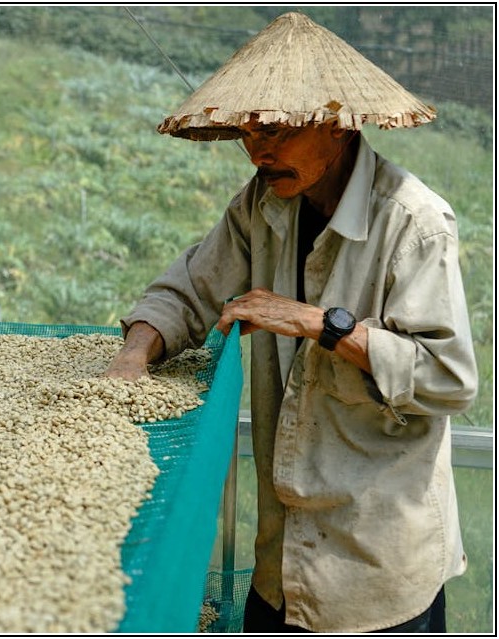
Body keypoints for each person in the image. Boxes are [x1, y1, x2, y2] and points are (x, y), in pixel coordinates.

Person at [104, 12, 478, 633]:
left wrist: (318, 324)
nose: (258, 151)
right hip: (281, 565)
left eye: (274, 130)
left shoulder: (413, 223)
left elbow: (449, 379)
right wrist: (131, 359)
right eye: (249, 134)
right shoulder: (263, 200)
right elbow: (191, 287)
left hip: (375, 567)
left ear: (336, 124)